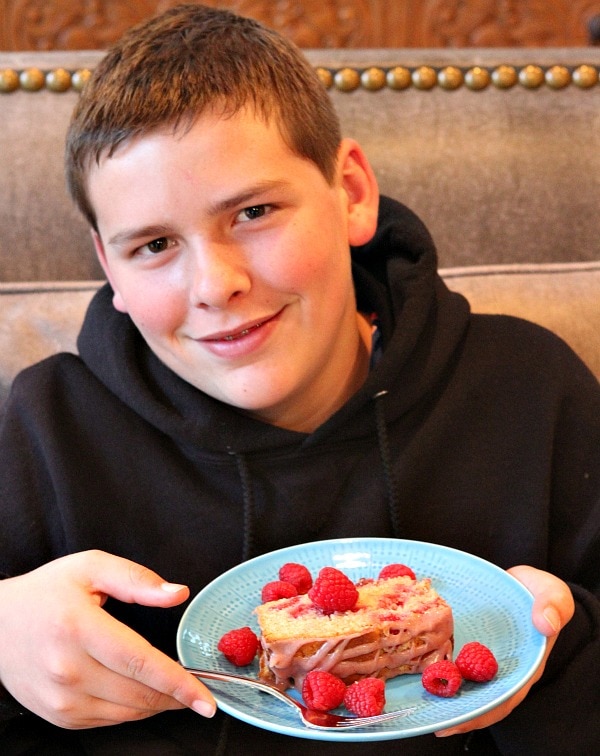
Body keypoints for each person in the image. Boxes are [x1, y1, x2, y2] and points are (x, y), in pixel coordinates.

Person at [0, 3, 598, 754]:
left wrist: (567, 643)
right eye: (153, 244)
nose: (216, 285)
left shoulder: (528, 390)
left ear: (350, 191)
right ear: (106, 265)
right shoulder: (49, 429)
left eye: (253, 211)